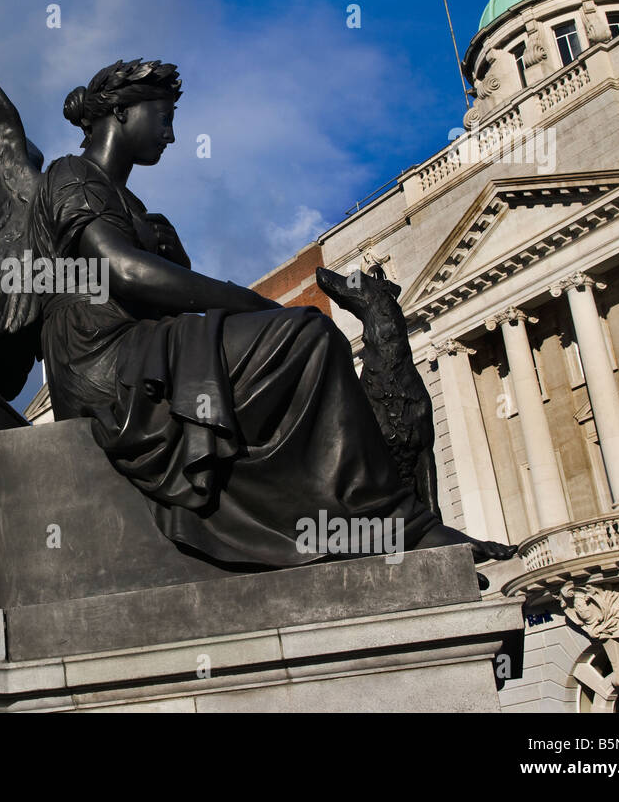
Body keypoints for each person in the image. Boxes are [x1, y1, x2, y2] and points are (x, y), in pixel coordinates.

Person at [32, 58, 515, 567]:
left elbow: (148, 284)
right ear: (124, 112)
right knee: (306, 336)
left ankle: (361, 520)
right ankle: (389, 525)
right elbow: (122, 272)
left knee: (296, 350)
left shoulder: (128, 200)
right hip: (103, 361)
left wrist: (174, 261)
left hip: (140, 348)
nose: (171, 135)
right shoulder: (71, 175)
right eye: (164, 116)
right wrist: (251, 302)